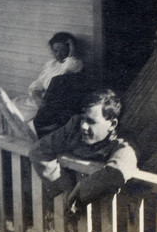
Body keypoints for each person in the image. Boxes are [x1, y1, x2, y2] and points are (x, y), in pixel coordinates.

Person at [29, 89, 137, 217]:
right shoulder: (73, 128)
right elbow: (39, 151)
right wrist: (66, 191)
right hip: (66, 211)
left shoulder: (123, 145)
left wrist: (78, 195)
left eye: (91, 121)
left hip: (104, 217)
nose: (83, 126)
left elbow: (115, 173)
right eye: (83, 119)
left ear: (112, 124)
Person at [11, 32, 84, 125]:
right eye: (55, 51)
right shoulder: (51, 64)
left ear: (69, 50)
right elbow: (38, 84)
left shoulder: (75, 64)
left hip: (51, 106)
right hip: (38, 100)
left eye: (63, 50)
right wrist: (36, 96)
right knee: (9, 106)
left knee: (17, 116)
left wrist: (72, 54)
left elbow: (67, 71)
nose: (59, 54)